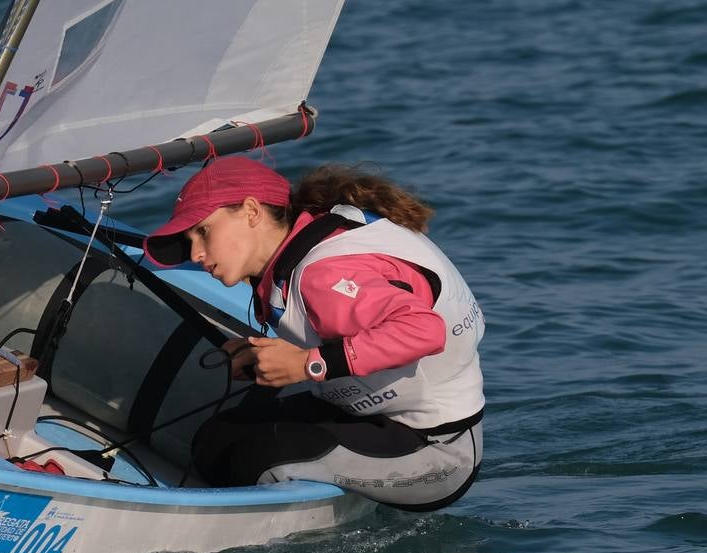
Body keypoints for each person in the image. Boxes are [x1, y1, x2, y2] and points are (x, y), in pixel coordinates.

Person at [144, 155, 484, 510]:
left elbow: (425, 331)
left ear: (250, 212)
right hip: (369, 418)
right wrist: (269, 354)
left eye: (203, 231)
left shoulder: (321, 273)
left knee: (258, 456)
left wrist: (309, 363)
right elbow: (346, 321)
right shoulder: (309, 242)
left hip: (438, 451)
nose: (195, 253)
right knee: (216, 439)